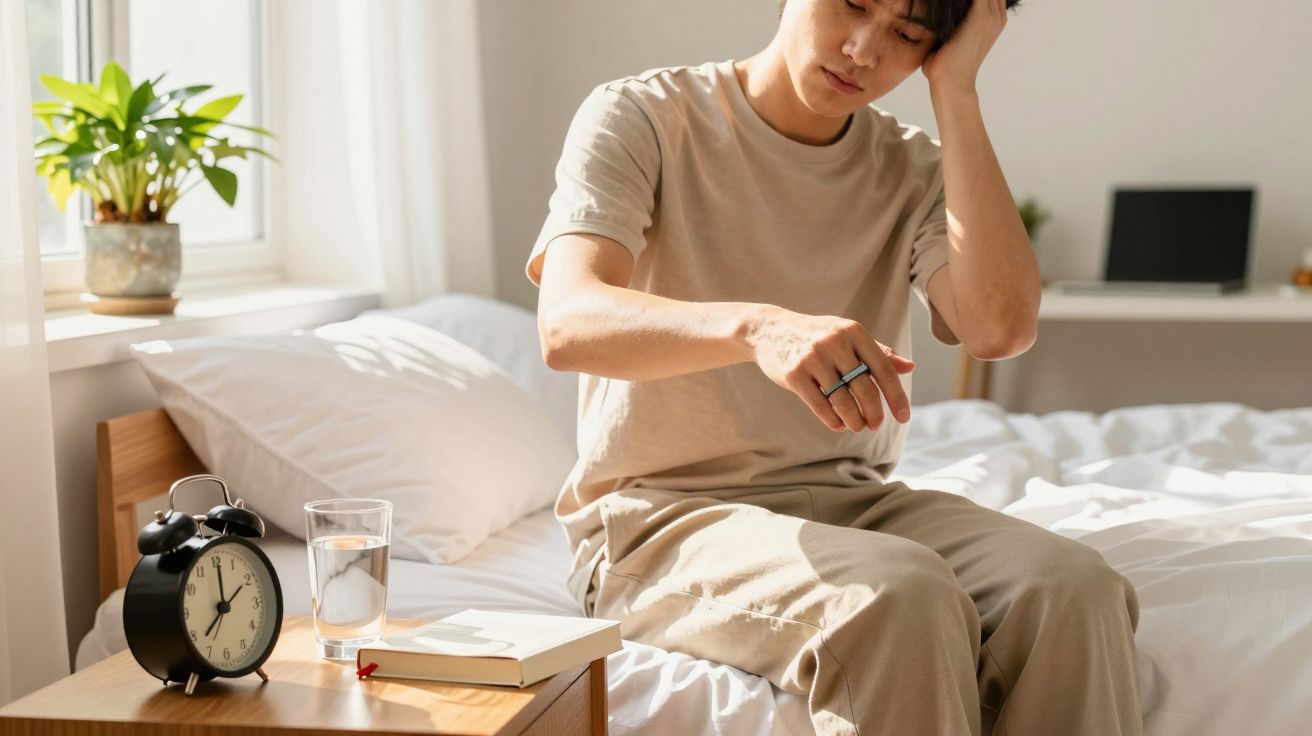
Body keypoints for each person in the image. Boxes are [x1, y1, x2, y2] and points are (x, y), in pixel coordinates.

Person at [525, 0, 1142, 733]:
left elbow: (1000, 328)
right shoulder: (644, 114)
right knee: (899, 597)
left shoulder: (913, 166)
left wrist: (959, 91)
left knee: (1075, 589)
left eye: (907, 35)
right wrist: (758, 327)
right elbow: (568, 322)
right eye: (852, 4)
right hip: (662, 516)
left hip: (855, 503)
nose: (861, 49)